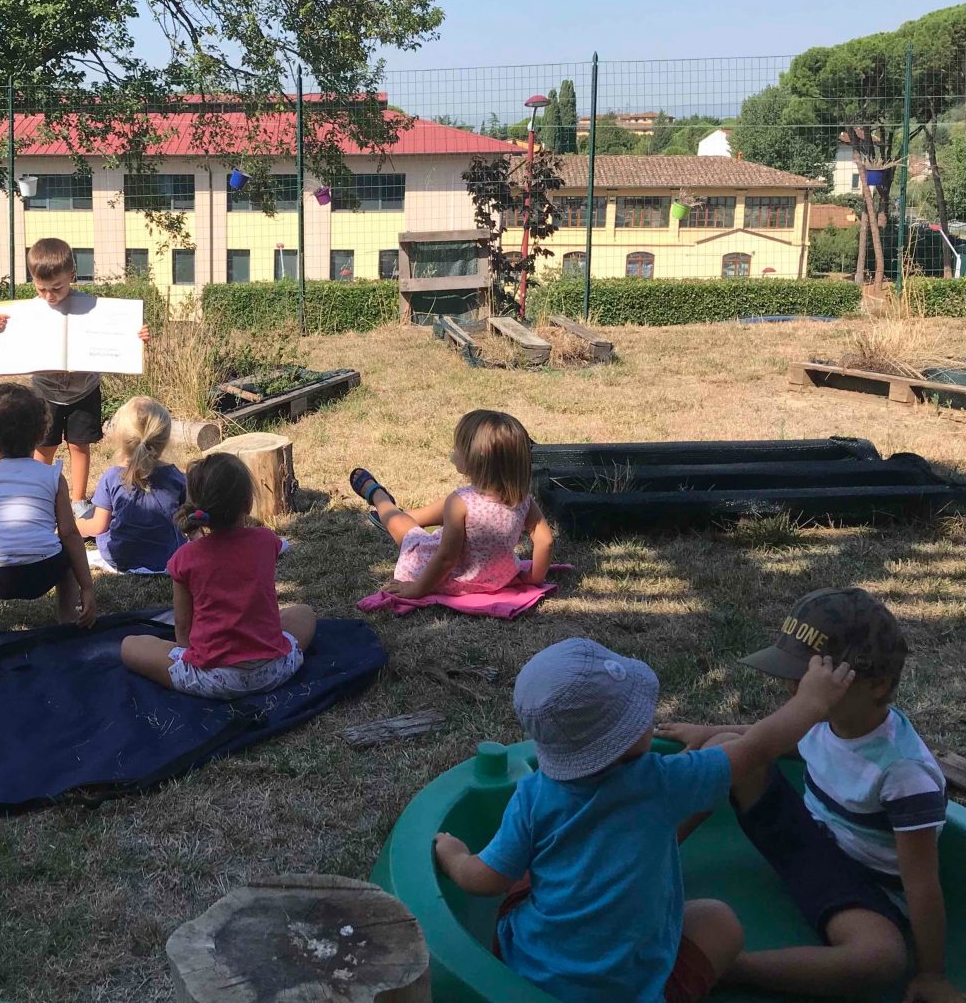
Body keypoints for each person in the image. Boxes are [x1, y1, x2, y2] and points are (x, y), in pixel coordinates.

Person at [433, 637, 857, 1003]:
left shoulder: (533, 795)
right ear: (629, 737)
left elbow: (485, 879)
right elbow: (757, 749)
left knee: (534, 869)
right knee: (719, 922)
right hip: (627, 991)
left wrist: (455, 856)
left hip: (525, 969)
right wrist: (811, 702)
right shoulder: (664, 782)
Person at [661, 589, 959, 1003]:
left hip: (859, 890)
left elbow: (922, 886)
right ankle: (642, 854)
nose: (792, 687)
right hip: (806, 842)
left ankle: (724, 966)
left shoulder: (905, 773)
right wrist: (708, 730)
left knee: (881, 959)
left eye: (809, 680)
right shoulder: (826, 714)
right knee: (724, 746)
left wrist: (932, 973)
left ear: (877, 685)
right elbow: (769, 742)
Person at [119, 451, 315, 700]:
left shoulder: (185, 558)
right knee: (304, 613)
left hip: (212, 679)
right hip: (274, 669)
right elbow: (230, 557)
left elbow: (183, 627)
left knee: (129, 646)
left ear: (197, 507)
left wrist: (185, 655)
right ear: (246, 503)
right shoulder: (266, 541)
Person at [0, 237, 151, 519]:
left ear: (72, 276)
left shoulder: (93, 308)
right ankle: (40, 495)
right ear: (33, 281)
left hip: (84, 391)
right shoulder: (25, 312)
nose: (50, 296)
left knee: (79, 445)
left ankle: (77, 500)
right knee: (44, 446)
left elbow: (123, 334)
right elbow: (8, 336)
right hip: (45, 392)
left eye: (57, 288)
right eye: (42, 289)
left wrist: (136, 335)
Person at [349, 408, 554, 599]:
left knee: (402, 527)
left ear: (476, 457)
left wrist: (416, 589)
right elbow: (545, 541)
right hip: (494, 582)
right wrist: (533, 579)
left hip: (448, 581)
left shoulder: (460, 501)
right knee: (439, 509)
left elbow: (446, 557)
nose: (453, 451)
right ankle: (406, 514)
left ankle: (377, 495)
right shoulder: (523, 499)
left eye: (457, 447)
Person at [0, 383, 95, 629]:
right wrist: (88, 587)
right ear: (41, 434)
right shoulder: (53, 477)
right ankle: (68, 615)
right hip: (43, 572)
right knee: (66, 546)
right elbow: (69, 534)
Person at [77, 396, 187, 573]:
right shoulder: (176, 477)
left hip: (121, 557)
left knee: (94, 518)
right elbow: (187, 518)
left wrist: (75, 526)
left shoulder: (111, 477)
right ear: (164, 440)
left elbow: (98, 526)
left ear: (120, 437)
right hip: (167, 555)